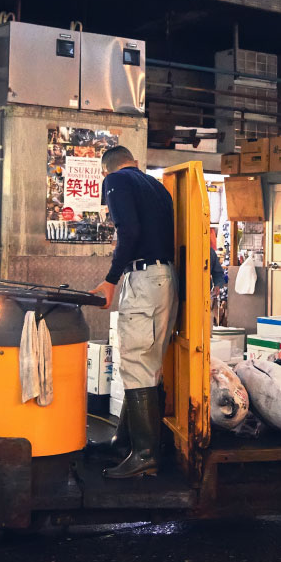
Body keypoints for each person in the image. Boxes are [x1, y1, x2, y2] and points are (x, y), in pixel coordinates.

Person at [88, 146, 176, 479]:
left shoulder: (115, 181)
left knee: (137, 360)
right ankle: (123, 441)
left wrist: (111, 279)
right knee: (148, 364)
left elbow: (129, 231)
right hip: (166, 279)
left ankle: (144, 455)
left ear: (105, 170)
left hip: (144, 278)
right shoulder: (156, 186)